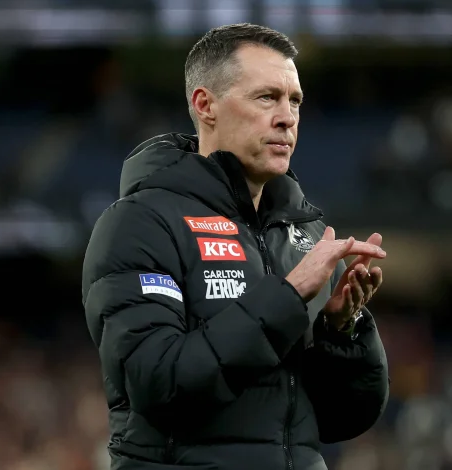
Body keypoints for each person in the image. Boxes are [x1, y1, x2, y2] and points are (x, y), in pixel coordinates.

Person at [82, 23, 389, 470]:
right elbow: (158, 384)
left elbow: (342, 419)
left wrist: (340, 331)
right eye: (267, 97)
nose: (287, 117)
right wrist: (287, 297)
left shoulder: (305, 233)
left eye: (295, 101)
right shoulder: (141, 223)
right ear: (205, 105)